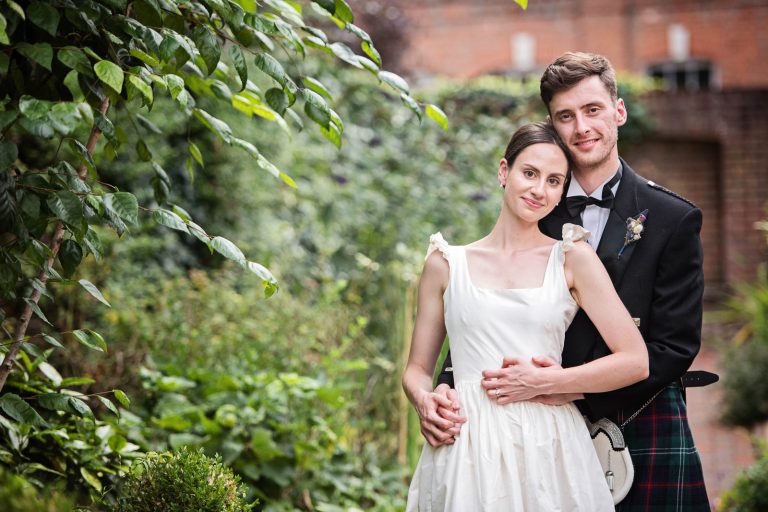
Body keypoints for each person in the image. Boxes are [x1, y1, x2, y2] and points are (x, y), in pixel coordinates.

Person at [433, 52, 711, 511]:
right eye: (566, 116)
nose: (582, 127)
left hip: (641, 415)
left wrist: (566, 385)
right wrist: (447, 387)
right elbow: (488, 306)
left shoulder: (672, 218)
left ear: (618, 112)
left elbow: (674, 347)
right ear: (553, 125)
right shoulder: (535, 204)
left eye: (593, 110)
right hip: (530, 427)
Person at [402, 121, 649, 511]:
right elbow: (417, 369)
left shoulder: (571, 258)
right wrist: (423, 399)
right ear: (504, 172)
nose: (538, 189)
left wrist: (550, 381)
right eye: (529, 173)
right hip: (466, 443)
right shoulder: (445, 263)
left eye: (554, 181)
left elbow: (635, 361)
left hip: (549, 445)